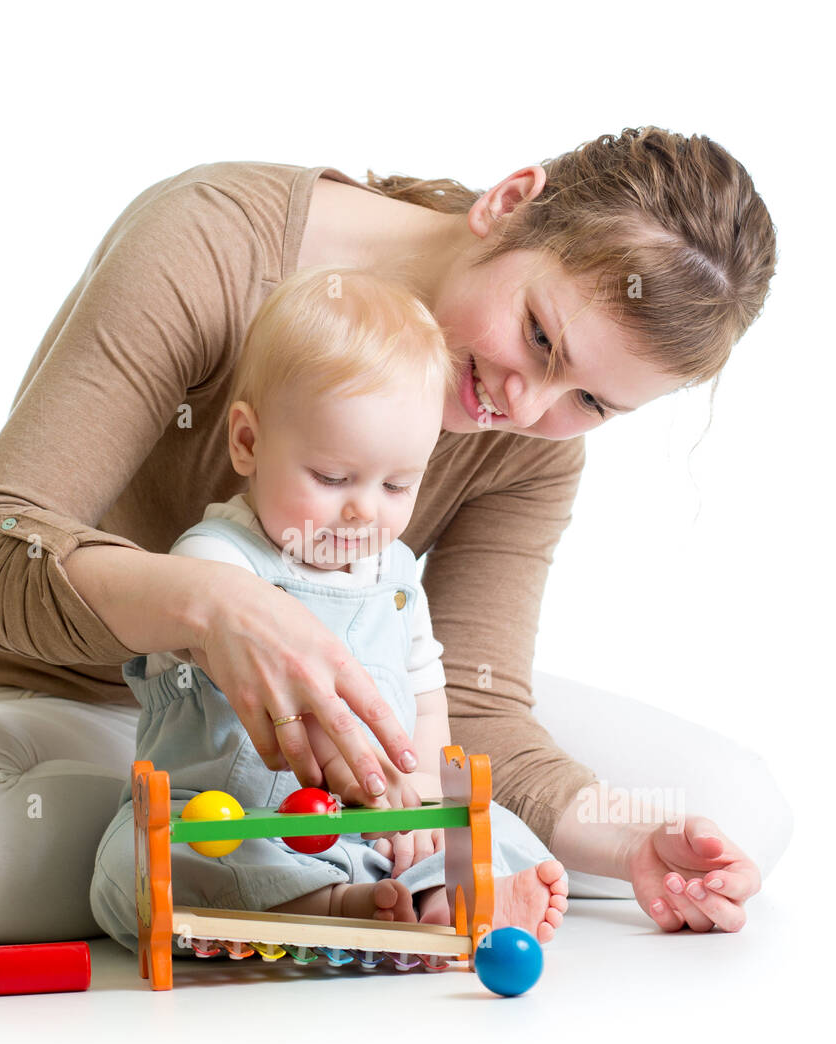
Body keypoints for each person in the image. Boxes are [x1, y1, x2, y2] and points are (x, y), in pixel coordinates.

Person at [0, 127, 792, 948]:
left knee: (727, 809)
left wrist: (627, 850)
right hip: (81, 710)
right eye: (539, 336)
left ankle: (295, 877)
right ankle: (210, 851)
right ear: (510, 202)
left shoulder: (530, 443)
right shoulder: (212, 244)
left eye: (589, 399)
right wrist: (211, 607)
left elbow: (473, 709)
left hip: (347, 753)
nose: (522, 403)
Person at [89, 266, 567, 952]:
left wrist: (421, 795)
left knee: (491, 823)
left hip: (371, 836)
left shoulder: (398, 577)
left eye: (398, 483)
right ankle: (337, 907)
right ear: (248, 442)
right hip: (239, 826)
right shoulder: (215, 562)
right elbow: (292, 699)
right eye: (333, 478)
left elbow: (426, 700)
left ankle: (441, 899)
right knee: (144, 858)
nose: (363, 509)